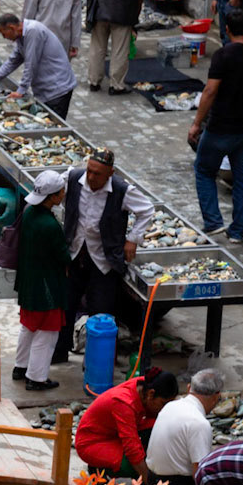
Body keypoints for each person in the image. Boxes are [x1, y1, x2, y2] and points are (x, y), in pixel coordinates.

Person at [52, 150, 154, 366]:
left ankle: (100, 362)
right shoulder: (72, 179)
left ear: (110, 173)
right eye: (89, 171)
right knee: (65, 306)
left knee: (102, 314)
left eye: (97, 174)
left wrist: (133, 239)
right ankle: (59, 352)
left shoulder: (122, 190)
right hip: (74, 255)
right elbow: (51, 195)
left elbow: (147, 209)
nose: (91, 177)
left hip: (104, 261)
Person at [187, 13, 243, 243]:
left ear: (227, 29)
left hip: (221, 127)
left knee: (204, 171)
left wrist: (196, 124)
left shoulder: (223, 55)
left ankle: (213, 222)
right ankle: (237, 231)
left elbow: (210, 91)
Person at [12, 169, 68, 392]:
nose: (64, 194)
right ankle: (36, 377)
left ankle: (20, 366)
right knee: (47, 334)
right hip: (47, 288)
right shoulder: (50, 226)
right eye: (61, 191)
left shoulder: (28, 212)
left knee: (28, 327)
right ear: (52, 197)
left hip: (28, 283)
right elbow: (63, 256)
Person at [75, 366, 179, 479]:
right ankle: (99, 468)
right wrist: (151, 483)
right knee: (131, 467)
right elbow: (132, 448)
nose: (165, 409)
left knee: (158, 428)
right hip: (91, 442)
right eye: (163, 404)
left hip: (114, 433)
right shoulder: (124, 403)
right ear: (151, 394)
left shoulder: (146, 385)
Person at [146, 367, 224, 485]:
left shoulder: (170, 406)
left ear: (189, 388)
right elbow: (200, 475)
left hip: (152, 481)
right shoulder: (199, 423)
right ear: (216, 396)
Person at [0, 13, 75, 119]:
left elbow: (31, 64)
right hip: (44, 90)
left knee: (52, 125)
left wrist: (21, 91)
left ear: (11, 28)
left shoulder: (33, 31)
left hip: (57, 89)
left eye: (3, 33)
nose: (4, 37)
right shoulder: (21, 38)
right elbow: (11, 62)